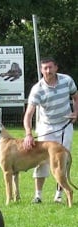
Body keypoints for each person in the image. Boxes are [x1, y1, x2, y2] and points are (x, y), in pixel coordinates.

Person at [23, 57, 78, 204]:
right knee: (41, 161)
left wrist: (76, 112)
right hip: (46, 127)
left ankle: (59, 195)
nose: (48, 70)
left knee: (62, 162)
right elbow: (28, 114)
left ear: (56, 68)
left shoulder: (67, 81)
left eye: (50, 67)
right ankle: (38, 195)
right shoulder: (37, 89)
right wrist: (28, 134)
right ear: (41, 70)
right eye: (45, 68)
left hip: (65, 125)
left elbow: (76, 97)